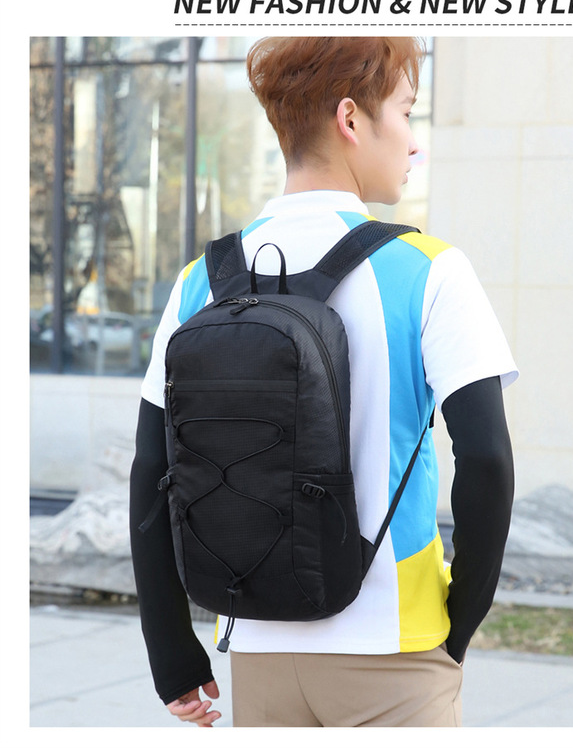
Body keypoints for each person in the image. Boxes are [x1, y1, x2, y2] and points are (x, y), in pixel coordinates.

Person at [129, 36, 518, 728]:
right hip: (394, 648)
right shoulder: (428, 269)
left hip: (256, 641)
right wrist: (460, 625)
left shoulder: (199, 281)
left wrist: (171, 651)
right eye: (406, 112)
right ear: (351, 119)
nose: (414, 141)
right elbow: (486, 458)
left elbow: (151, 469)